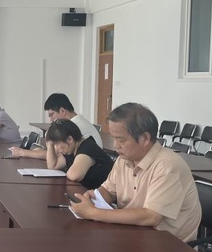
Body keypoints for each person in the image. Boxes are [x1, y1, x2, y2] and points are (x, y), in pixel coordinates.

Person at [69, 103, 201, 242]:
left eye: (121, 139)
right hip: (134, 235)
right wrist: (94, 197)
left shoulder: (167, 166)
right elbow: (109, 191)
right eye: (113, 138)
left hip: (168, 245)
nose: (115, 145)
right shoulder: (123, 159)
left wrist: (94, 213)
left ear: (145, 138)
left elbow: (151, 216)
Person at [10, 92, 102, 160]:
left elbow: (57, 155)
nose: (51, 120)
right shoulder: (76, 121)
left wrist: (23, 152)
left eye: (52, 115)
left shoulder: (76, 126)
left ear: (62, 110)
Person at [43, 119, 113, 189]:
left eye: (57, 144)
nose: (56, 149)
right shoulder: (71, 148)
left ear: (70, 139)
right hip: (88, 191)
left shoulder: (87, 148)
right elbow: (53, 165)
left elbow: (74, 176)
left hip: (106, 194)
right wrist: (49, 144)